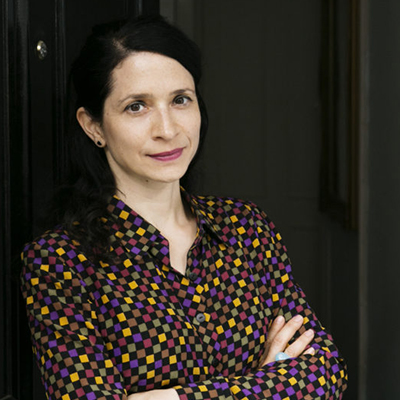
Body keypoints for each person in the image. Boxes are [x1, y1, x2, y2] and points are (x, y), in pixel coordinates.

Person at [21, 15, 348, 400]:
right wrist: (267, 383)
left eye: (180, 100)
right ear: (93, 126)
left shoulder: (246, 228)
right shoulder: (60, 262)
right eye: (136, 106)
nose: (168, 129)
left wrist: (170, 397)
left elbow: (324, 373)